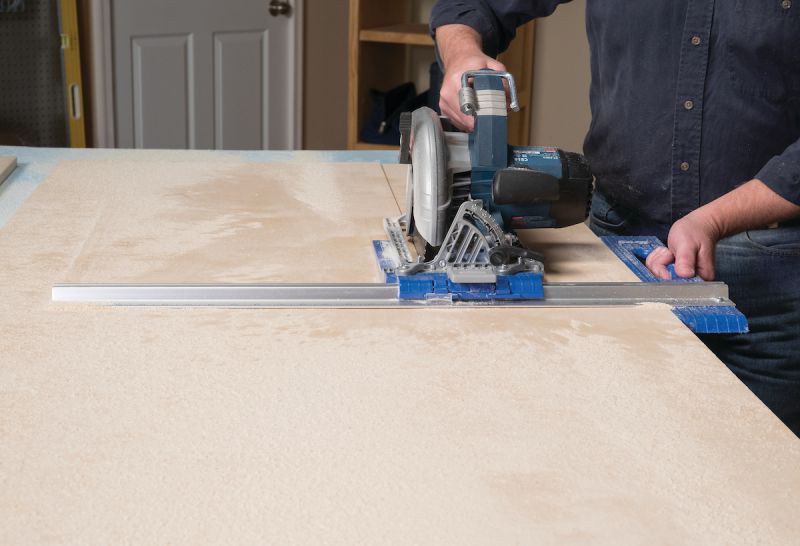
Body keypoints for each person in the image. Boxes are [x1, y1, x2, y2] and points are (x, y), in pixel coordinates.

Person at [430, 0, 800, 436]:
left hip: (767, 279)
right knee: (609, 447)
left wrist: (716, 219)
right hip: (616, 245)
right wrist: (462, 55)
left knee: (758, 461)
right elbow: (472, 5)